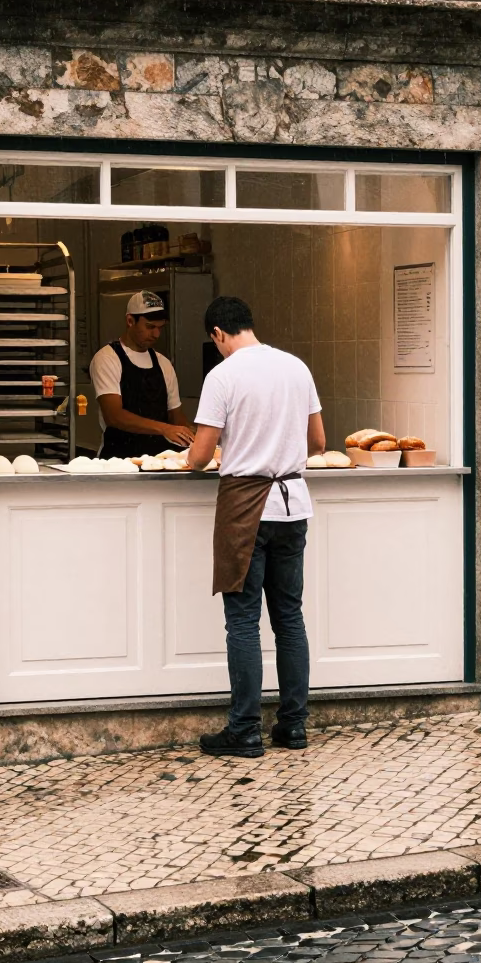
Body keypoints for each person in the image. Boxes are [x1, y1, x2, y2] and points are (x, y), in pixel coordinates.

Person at [187, 296, 325, 758]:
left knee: (243, 622)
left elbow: (201, 455)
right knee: (289, 617)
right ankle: (294, 726)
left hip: (246, 507)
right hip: (293, 506)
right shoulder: (295, 367)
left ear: (218, 335)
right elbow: (319, 441)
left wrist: (195, 458)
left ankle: (244, 730)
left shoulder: (222, 376)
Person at [91, 290, 195, 459]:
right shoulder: (107, 358)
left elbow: (176, 416)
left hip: (158, 461)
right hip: (118, 460)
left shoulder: (163, 363)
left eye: (160, 328)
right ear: (130, 321)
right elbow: (114, 416)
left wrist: (195, 434)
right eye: (150, 327)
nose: (156, 334)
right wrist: (164, 428)